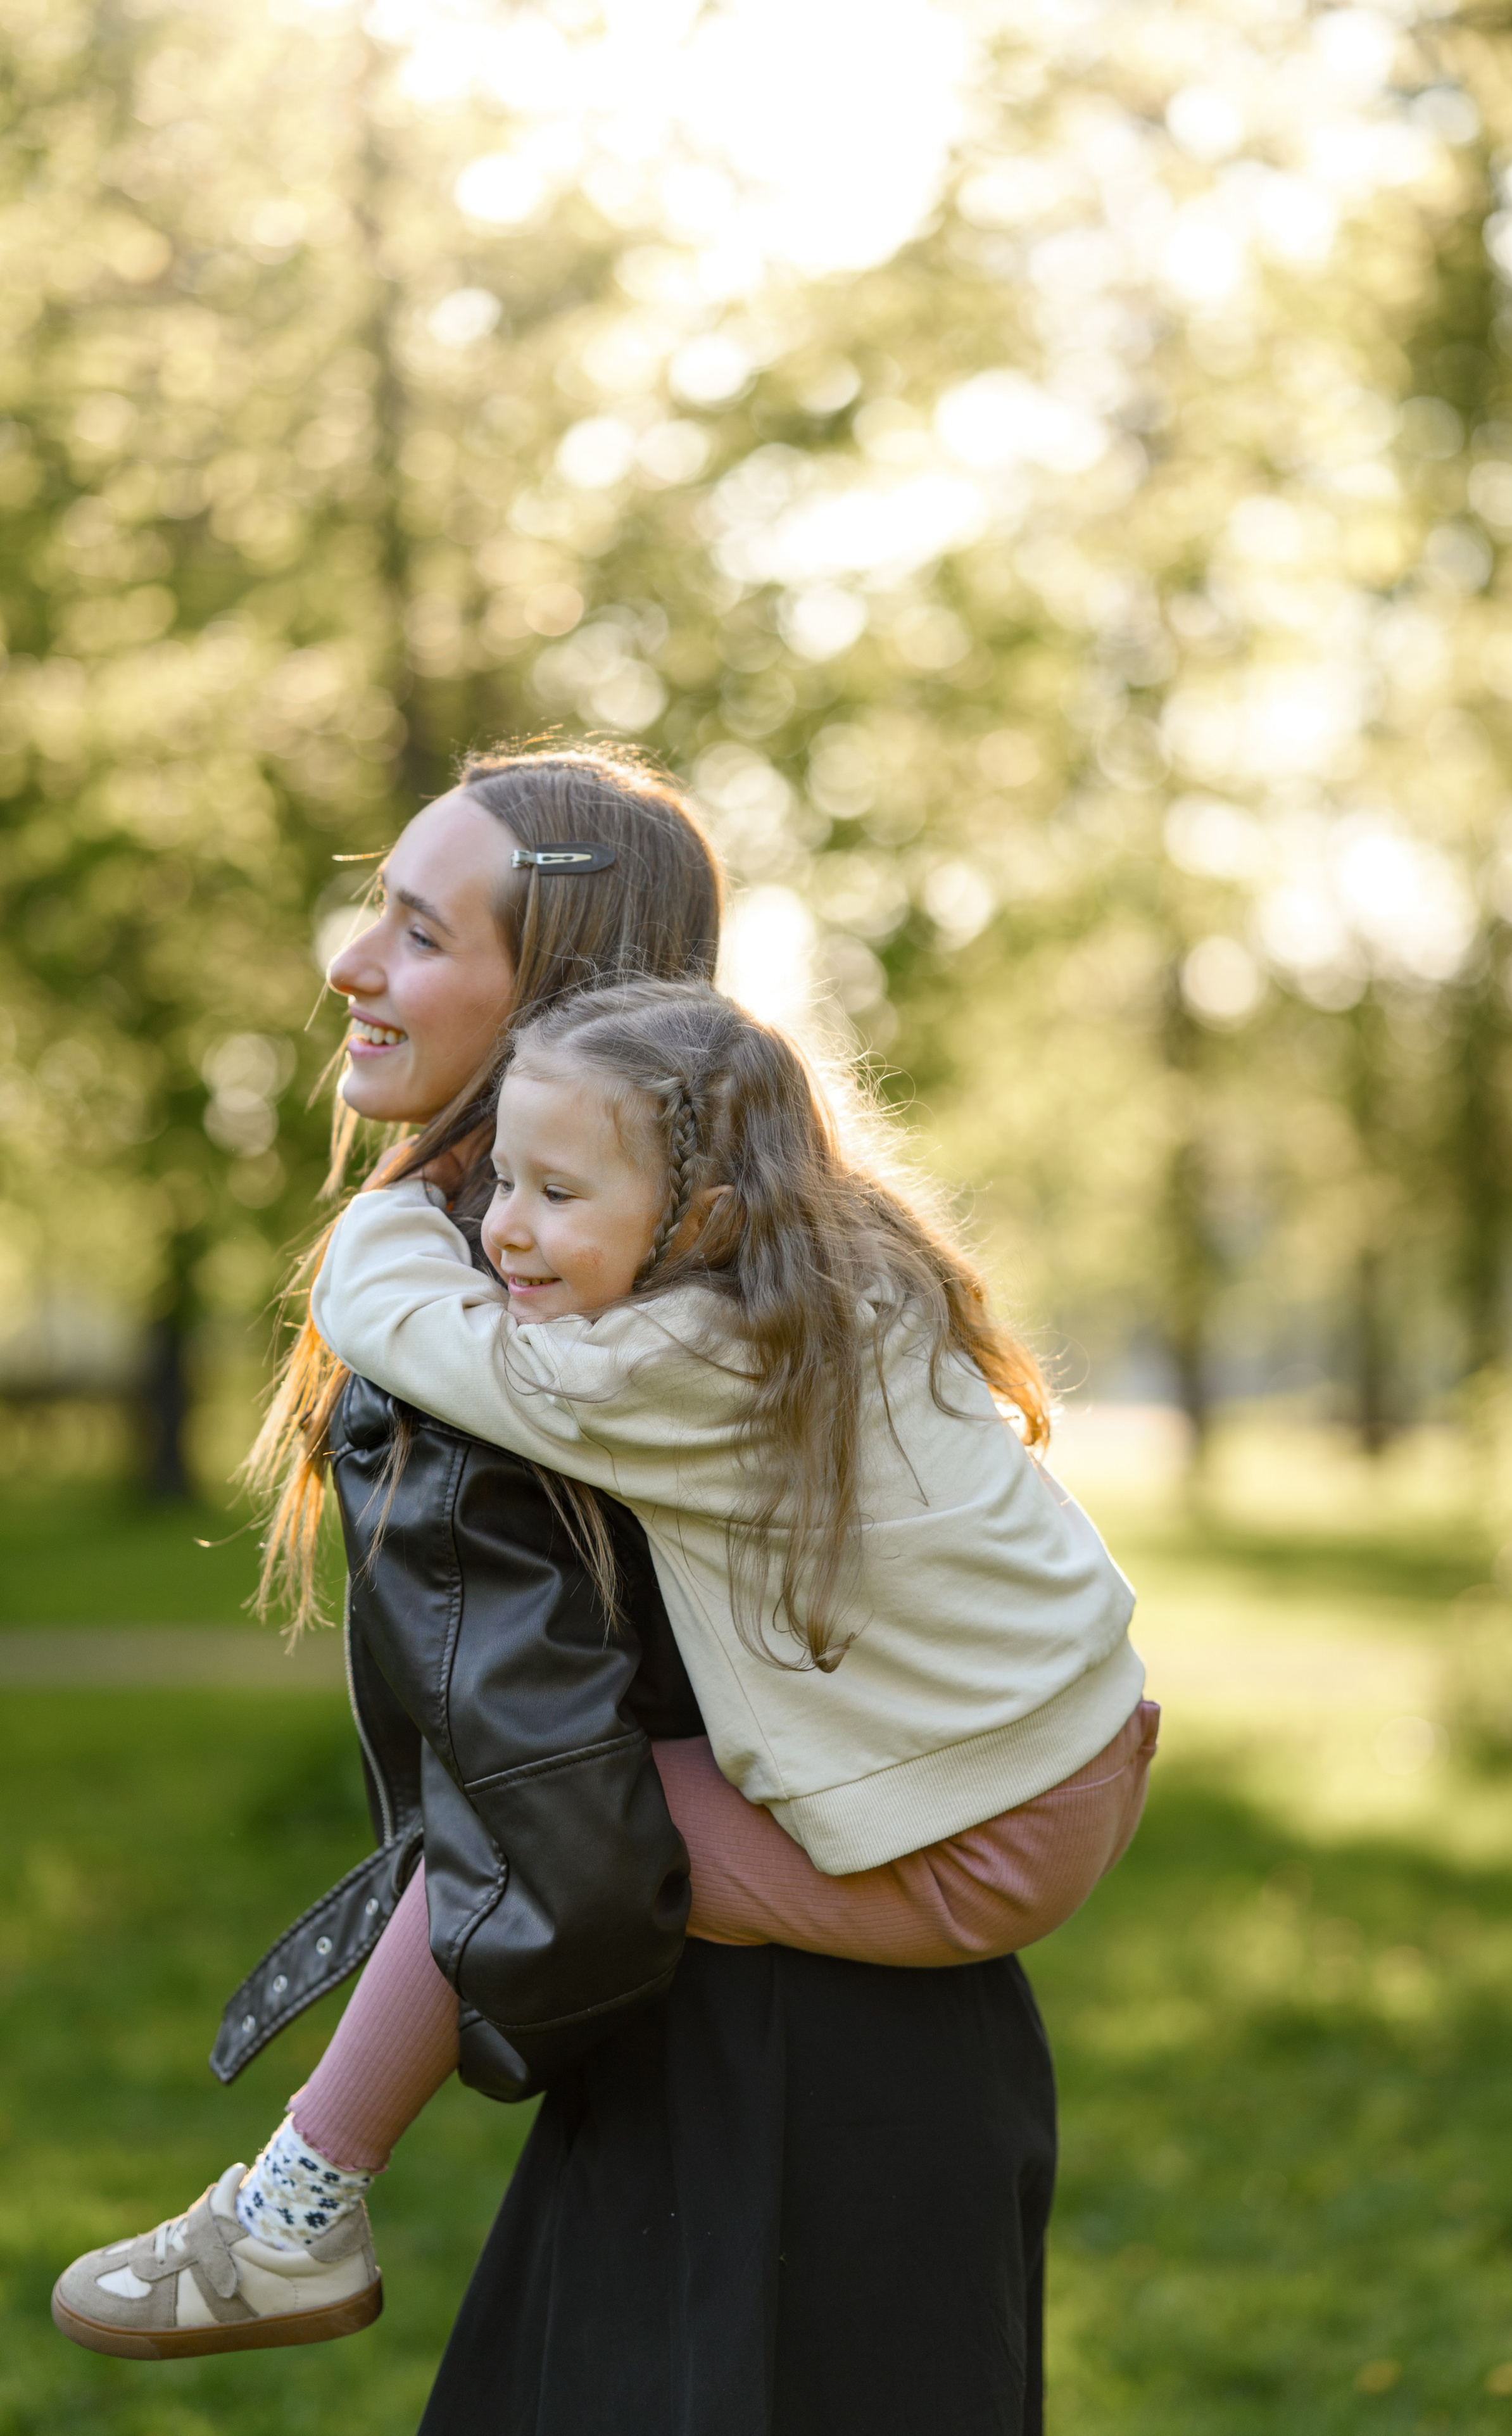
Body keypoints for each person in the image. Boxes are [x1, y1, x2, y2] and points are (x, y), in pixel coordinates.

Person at [51, 747, 1156, 2433]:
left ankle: (294, 2201)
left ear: (554, 994)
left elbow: (543, 1812)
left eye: (418, 932)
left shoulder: (590, 1347)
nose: (352, 964)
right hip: (832, 2034)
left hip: (784, 2091)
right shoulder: (770, 1268)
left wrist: (402, 1235)